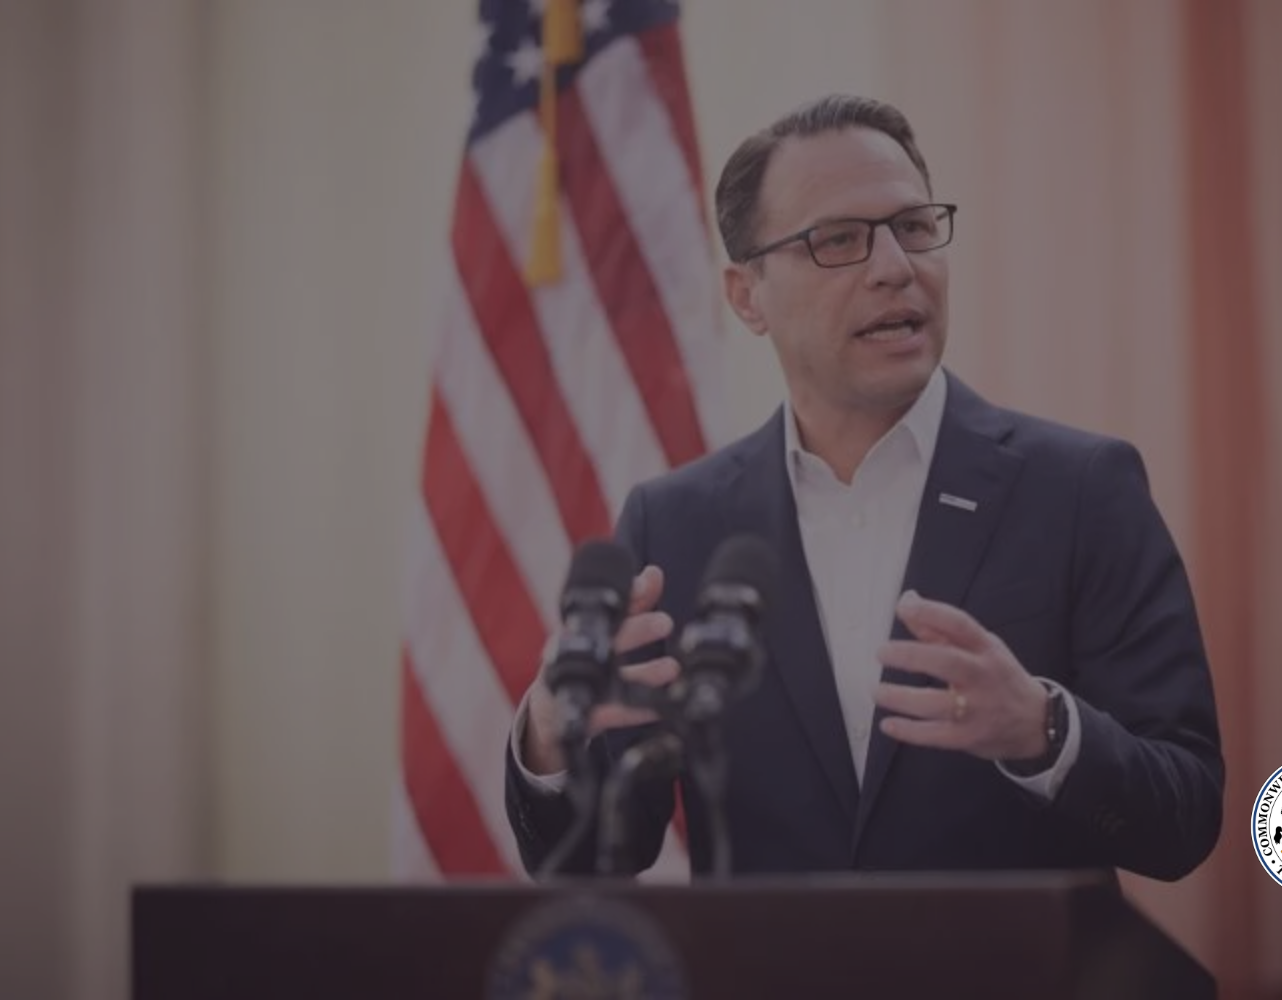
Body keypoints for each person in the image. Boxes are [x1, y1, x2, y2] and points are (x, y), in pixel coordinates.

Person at [505, 93, 1223, 880]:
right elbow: (592, 861)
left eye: (913, 228)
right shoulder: (676, 524)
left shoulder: (1080, 490)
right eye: (839, 240)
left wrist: (1044, 732)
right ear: (747, 296)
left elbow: (1185, 817)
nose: (895, 268)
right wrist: (549, 731)